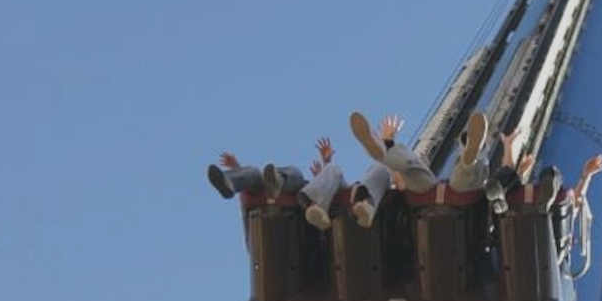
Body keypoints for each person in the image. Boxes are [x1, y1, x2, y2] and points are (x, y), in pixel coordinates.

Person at [206, 138, 391, 232]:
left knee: (318, 170)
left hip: (304, 190)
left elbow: (332, 177)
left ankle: (279, 182)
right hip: (299, 191)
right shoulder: (310, 185)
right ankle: (230, 181)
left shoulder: (322, 180)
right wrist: (236, 168)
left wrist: (326, 164)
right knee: (254, 172)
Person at [349, 111, 490, 193]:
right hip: (430, 190)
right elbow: (401, 182)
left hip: (429, 190)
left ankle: (470, 156)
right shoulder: (421, 176)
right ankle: (384, 149)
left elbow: (400, 182)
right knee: (413, 164)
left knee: (414, 167)